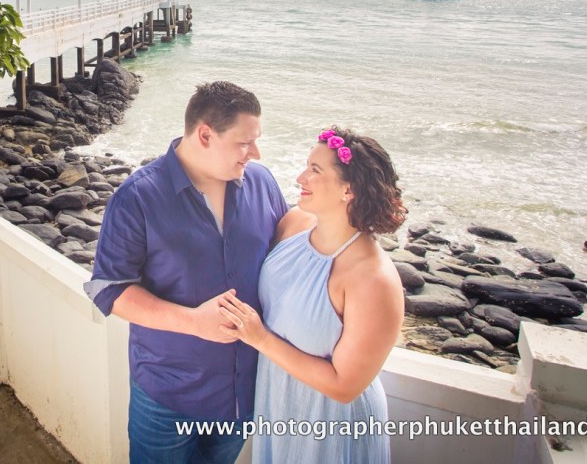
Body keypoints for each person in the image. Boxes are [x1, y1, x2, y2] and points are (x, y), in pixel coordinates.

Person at [85, 81, 288, 464]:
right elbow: (109, 290)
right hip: (168, 395)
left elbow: (290, 246)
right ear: (206, 135)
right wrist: (194, 322)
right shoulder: (137, 197)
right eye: (245, 143)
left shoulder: (262, 183)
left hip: (242, 393)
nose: (255, 153)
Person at [218, 127, 406, 464]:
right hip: (277, 402)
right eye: (307, 165)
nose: (300, 177)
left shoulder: (373, 280)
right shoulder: (295, 224)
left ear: (349, 189)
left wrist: (260, 339)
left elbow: (344, 386)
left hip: (330, 422)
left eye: (315, 171)